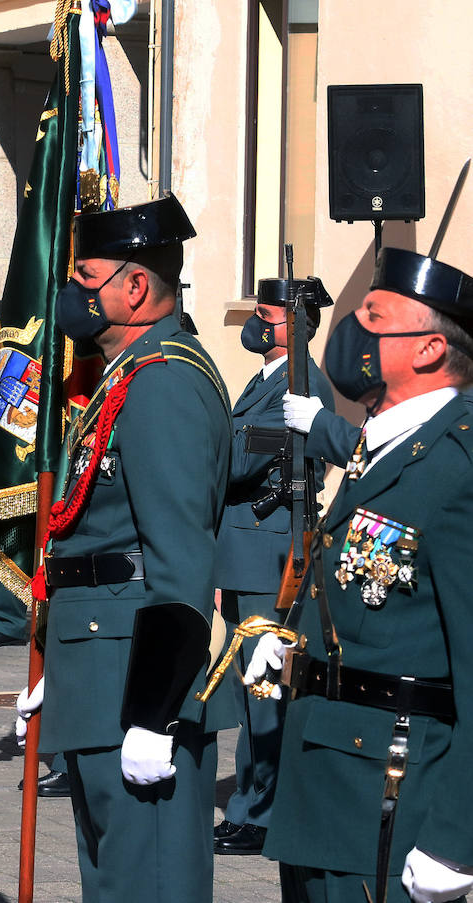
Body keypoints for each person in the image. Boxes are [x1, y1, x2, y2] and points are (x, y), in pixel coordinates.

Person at [13, 195, 232, 902]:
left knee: (148, 884)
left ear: (134, 288)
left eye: (86, 276)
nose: (73, 293)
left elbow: (177, 558)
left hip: (137, 682)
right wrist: (67, 661)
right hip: (101, 669)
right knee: (114, 883)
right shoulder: (123, 377)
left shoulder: (163, 381)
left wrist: (155, 709)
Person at [250, 247, 473, 903]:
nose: (353, 330)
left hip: (392, 795)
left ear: (431, 348)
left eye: (375, 316)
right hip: (321, 779)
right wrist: (297, 643)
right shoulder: (386, 446)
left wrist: (456, 840)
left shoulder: (457, 464)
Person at [211, 277, 335, 856]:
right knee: (248, 687)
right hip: (243, 553)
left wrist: (215, 445)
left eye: (266, 314)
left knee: (264, 692)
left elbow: (237, 463)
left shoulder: (302, 386)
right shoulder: (266, 382)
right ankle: (255, 801)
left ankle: (258, 810)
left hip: (269, 555)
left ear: (296, 324)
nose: (254, 323)